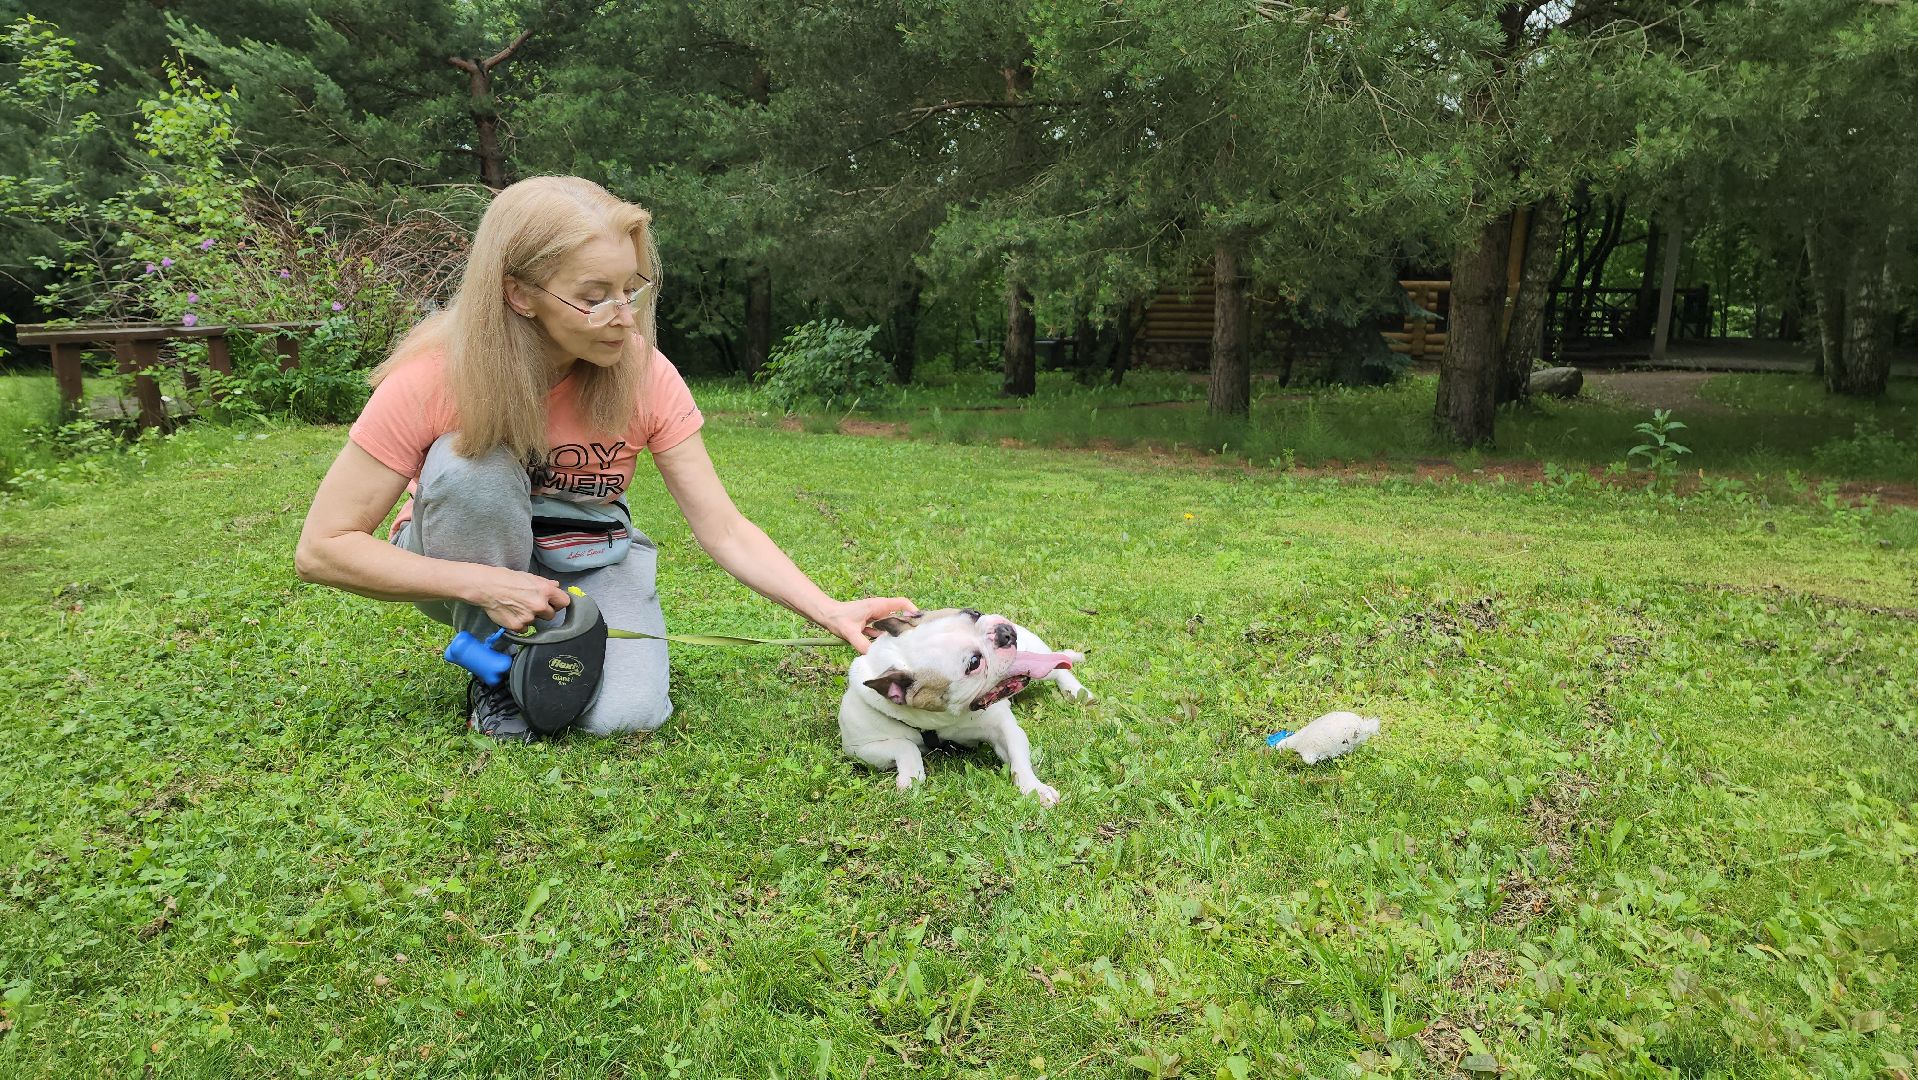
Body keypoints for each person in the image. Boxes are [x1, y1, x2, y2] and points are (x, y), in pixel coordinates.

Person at [295, 176, 913, 741]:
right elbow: (323, 548)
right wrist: (482, 585)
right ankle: (493, 668)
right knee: (468, 465)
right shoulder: (433, 378)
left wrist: (831, 610)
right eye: (595, 296)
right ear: (518, 294)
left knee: (627, 715)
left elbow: (722, 527)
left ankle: (534, 650)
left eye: (631, 288)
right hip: (458, 555)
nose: (625, 316)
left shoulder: (643, 373)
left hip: (583, 554)